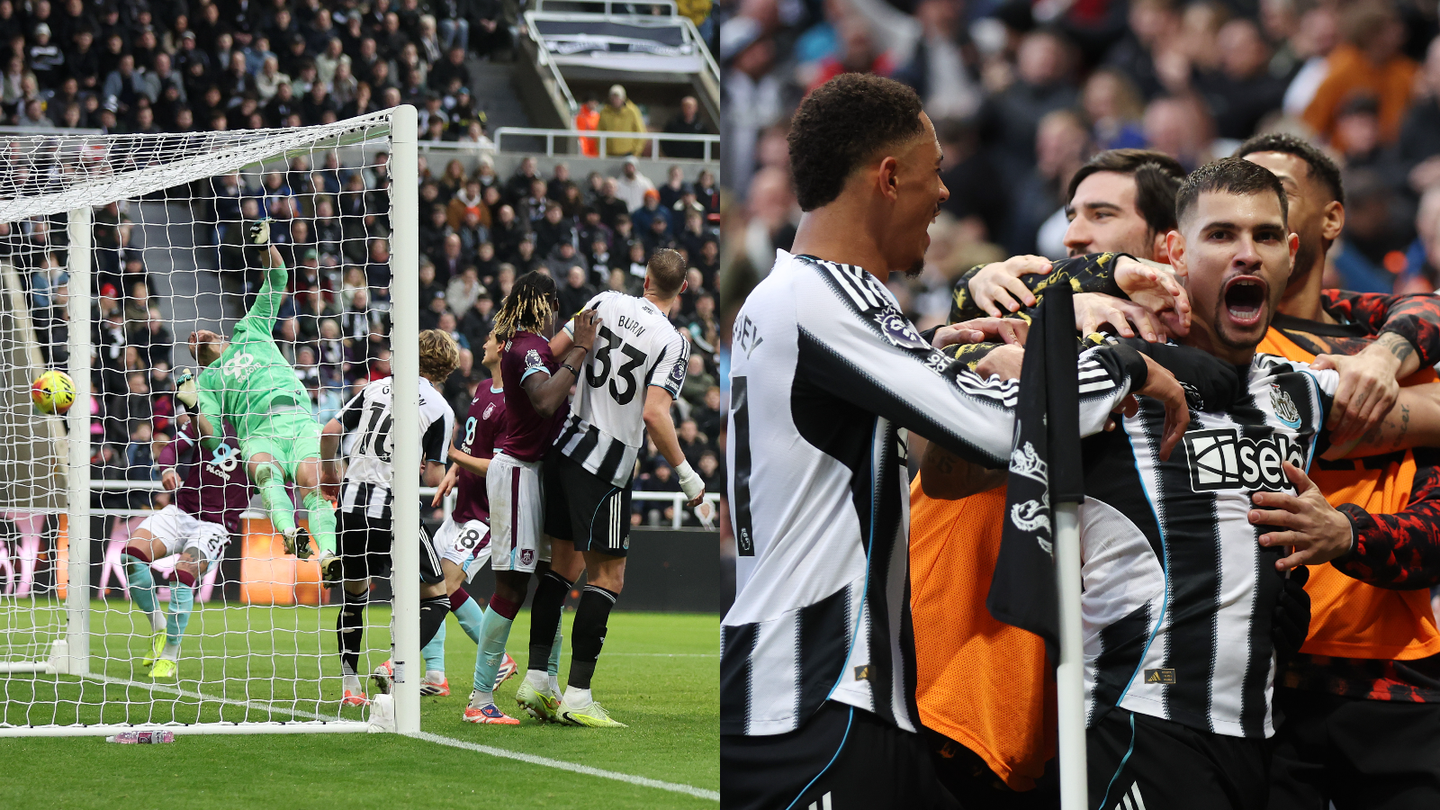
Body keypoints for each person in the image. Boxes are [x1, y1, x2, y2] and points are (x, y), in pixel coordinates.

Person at [721, 74, 1187, 810]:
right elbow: (1002, 428)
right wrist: (1123, 362)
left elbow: (891, 385)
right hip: (820, 695)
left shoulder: (783, 296)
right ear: (888, 176)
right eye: (935, 171)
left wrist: (950, 345)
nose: (944, 193)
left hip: (825, 693)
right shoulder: (830, 296)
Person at [923, 158, 1440, 810]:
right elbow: (941, 473)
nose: (1247, 255)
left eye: (1266, 238)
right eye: (1221, 236)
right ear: (1174, 253)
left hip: (1256, 739)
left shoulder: (1297, 393)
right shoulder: (1103, 365)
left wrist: (1385, 363)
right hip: (1136, 721)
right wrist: (1008, 344)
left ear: (1292, 258)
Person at [1235, 134, 1440, 810]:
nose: (1255, 213)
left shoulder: (1402, 350)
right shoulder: (1201, 346)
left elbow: (1434, 536)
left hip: (1395, 683)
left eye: (1277, 193)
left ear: (1327, 222)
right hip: (1252, 683)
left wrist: (1347, 535)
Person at [522, 248, 703, 728]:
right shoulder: (673, 341)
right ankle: (578, 695)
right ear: (682, 290)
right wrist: (687, 474)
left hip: (565, 447)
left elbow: (550, 353)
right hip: (606, 466)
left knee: (561, 571)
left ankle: (537, 679)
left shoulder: (604, 300)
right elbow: (654, 413)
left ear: (644, 278)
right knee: (608, 579)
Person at [462, 273, 600, 725]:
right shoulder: (524, 349)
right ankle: (480, 699)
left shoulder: (531, 346)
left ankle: (549, 686)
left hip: (537, 473)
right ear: (540, 301)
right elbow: (543, 400)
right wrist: (580, 348)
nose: (557, 309)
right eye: (553, 301)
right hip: (518, 473)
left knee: (551, 581)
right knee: (512, 587)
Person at [176, 220, 341, 583]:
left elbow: (277, 279)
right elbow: (213, 440)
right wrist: (192, 407)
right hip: (258, 431)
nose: (194, 336)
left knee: (313, 484)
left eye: (201, 335)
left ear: (219, 334)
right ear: (197, 358)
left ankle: (328, 553)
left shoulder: (250, 328)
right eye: (190, 344)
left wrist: (265, 248)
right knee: (267, 477)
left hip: (297, 418)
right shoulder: (207, 382)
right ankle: (290, 533)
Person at [320, 329, 460, 707]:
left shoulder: (376, 388)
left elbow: (331, 430)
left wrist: (330, 474)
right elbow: (433, 477)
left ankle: (350, 687)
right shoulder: (440, 407)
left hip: (350, 507)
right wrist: (452, 467)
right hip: (394, 511)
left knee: (354, 598)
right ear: (447, 367)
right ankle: (394, 664)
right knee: (438, 599)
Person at [424, 331, 536, 697]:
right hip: (462, 505)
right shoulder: (483, 388)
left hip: (486, 514)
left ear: (501, 347)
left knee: (446, 583)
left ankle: (403, 662)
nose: (482, 343)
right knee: (430, 586)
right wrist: (455, 473)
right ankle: (436, 675)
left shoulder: (514, 404)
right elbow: (475, 445)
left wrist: (451, 455)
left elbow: (499, 466)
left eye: (489, 338)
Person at [121, 417, 250, 682]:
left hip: (216, 525)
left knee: (182, 576)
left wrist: (290, 525)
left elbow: (281, 486)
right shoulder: (211, 419)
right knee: (130, 555)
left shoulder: (264, 437)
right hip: (181, 511)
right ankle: (158, 627)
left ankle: (169, 656)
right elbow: (170, 449)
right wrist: (167, 469)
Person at [597, 84, 646, 157]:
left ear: (623, 98)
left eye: (617, 97)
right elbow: (599, 132)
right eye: (613, 97)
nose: (615, 100)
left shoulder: (632, 111)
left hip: (628, 154)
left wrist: (635, 153)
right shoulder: (604, 112)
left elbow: (640, 131)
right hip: (609, 154)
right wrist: (602, 151)